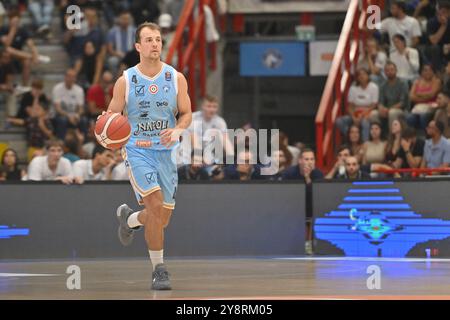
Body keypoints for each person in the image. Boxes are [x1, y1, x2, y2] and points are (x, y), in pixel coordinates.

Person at [106, 22, 192, 290]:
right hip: (137, 150)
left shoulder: (176, 78)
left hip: (165, 154)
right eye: (149, 39)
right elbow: (110, 119)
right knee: (154, 207)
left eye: (158, 39)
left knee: (160, 219)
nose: (155, 44)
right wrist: (106, 131)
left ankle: (130, 220)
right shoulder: (125, 81)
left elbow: (187, 113)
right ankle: (159, 270)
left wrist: (178, 129)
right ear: (138, 47)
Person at [336, 68, 379, 141]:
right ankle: (354, 137)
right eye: (359, 75)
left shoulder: (374, 87)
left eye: (364, 74)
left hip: (368, 113)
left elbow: (374, 105)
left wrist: (362, 115)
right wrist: (353, 117)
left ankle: (365, 144)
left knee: (365, 123)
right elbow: (350, 106)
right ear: (357, 77)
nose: (362, 76)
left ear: (368, 76)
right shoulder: (353, 88)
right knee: (339, 121)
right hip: (355, 114)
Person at [52, 68, 87, 139]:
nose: (71, 79)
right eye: (69, 76)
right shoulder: (57, 88)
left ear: (75, 79)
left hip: (74, 115)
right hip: (61, 115)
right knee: (63, 120)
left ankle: (84, 142)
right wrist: (68, 116)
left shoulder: (79, 90)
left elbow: (80, 108)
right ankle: (61, 141)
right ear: (65, 77)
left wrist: (77, 115)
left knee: (84, 120)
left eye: (73, 77)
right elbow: (57, 108)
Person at [407, 63, 442, 131]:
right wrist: (425, 97)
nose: (427, 72)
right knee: (409, 118)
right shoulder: (417, 82)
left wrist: (418, 94)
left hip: (432, 107)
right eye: (425, 70)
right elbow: (411, 96)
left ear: (433, 71)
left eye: (430, 70)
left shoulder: (437, 81)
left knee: (423, 116)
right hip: (418, 108)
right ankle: (412, 137)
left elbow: (432, 94)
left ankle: (427, 137)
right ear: (422, 72)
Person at [374, 61, 410, 127]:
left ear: (396, 71)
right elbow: (380, 102)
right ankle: (378, 135)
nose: (390, 72)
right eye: (387, 70)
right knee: (373, 114)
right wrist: (381, 108)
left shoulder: (403, 83)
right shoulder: (383, 85)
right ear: (384, 72)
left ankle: (392, 136)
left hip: (401, 110)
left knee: (392, 113)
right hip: (387, 109)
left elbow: (402, 103)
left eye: (392, 70)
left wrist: (388, 109)